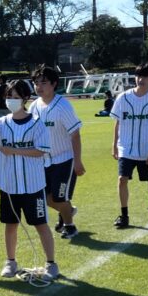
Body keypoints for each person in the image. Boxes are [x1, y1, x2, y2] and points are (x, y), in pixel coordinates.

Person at [0, 79, 58, 281]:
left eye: (16, 97)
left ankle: (51, 263)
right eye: (9, 96)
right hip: (8, 186)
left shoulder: (37, 123)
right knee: (10, 225)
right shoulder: (1, 123)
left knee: (40, 224)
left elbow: (41, 151)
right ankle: (10, 261)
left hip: (33, 185)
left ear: (25, 99)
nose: (11, 100)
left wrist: (14, 150)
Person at [29, 66, 86, 238]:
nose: (39, 86)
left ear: (54, 84)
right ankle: (68, 210)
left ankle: (70, 226)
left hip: (64, 159)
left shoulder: (63, 106)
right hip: (44, 161)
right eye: (36, 83)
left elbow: (75, 134)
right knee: (46, 198)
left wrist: (77, 161)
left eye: (43, 83)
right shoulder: (33, 107)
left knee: (60, 198)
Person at [111, 64, 148, 228]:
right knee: (122, 179)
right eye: (138, 76)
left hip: (146, 150)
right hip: (125, 149)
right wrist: (114, 145)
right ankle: (124, 215)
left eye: (145, 76)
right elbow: (117, 123)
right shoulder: (123, 97)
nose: (141, 79)